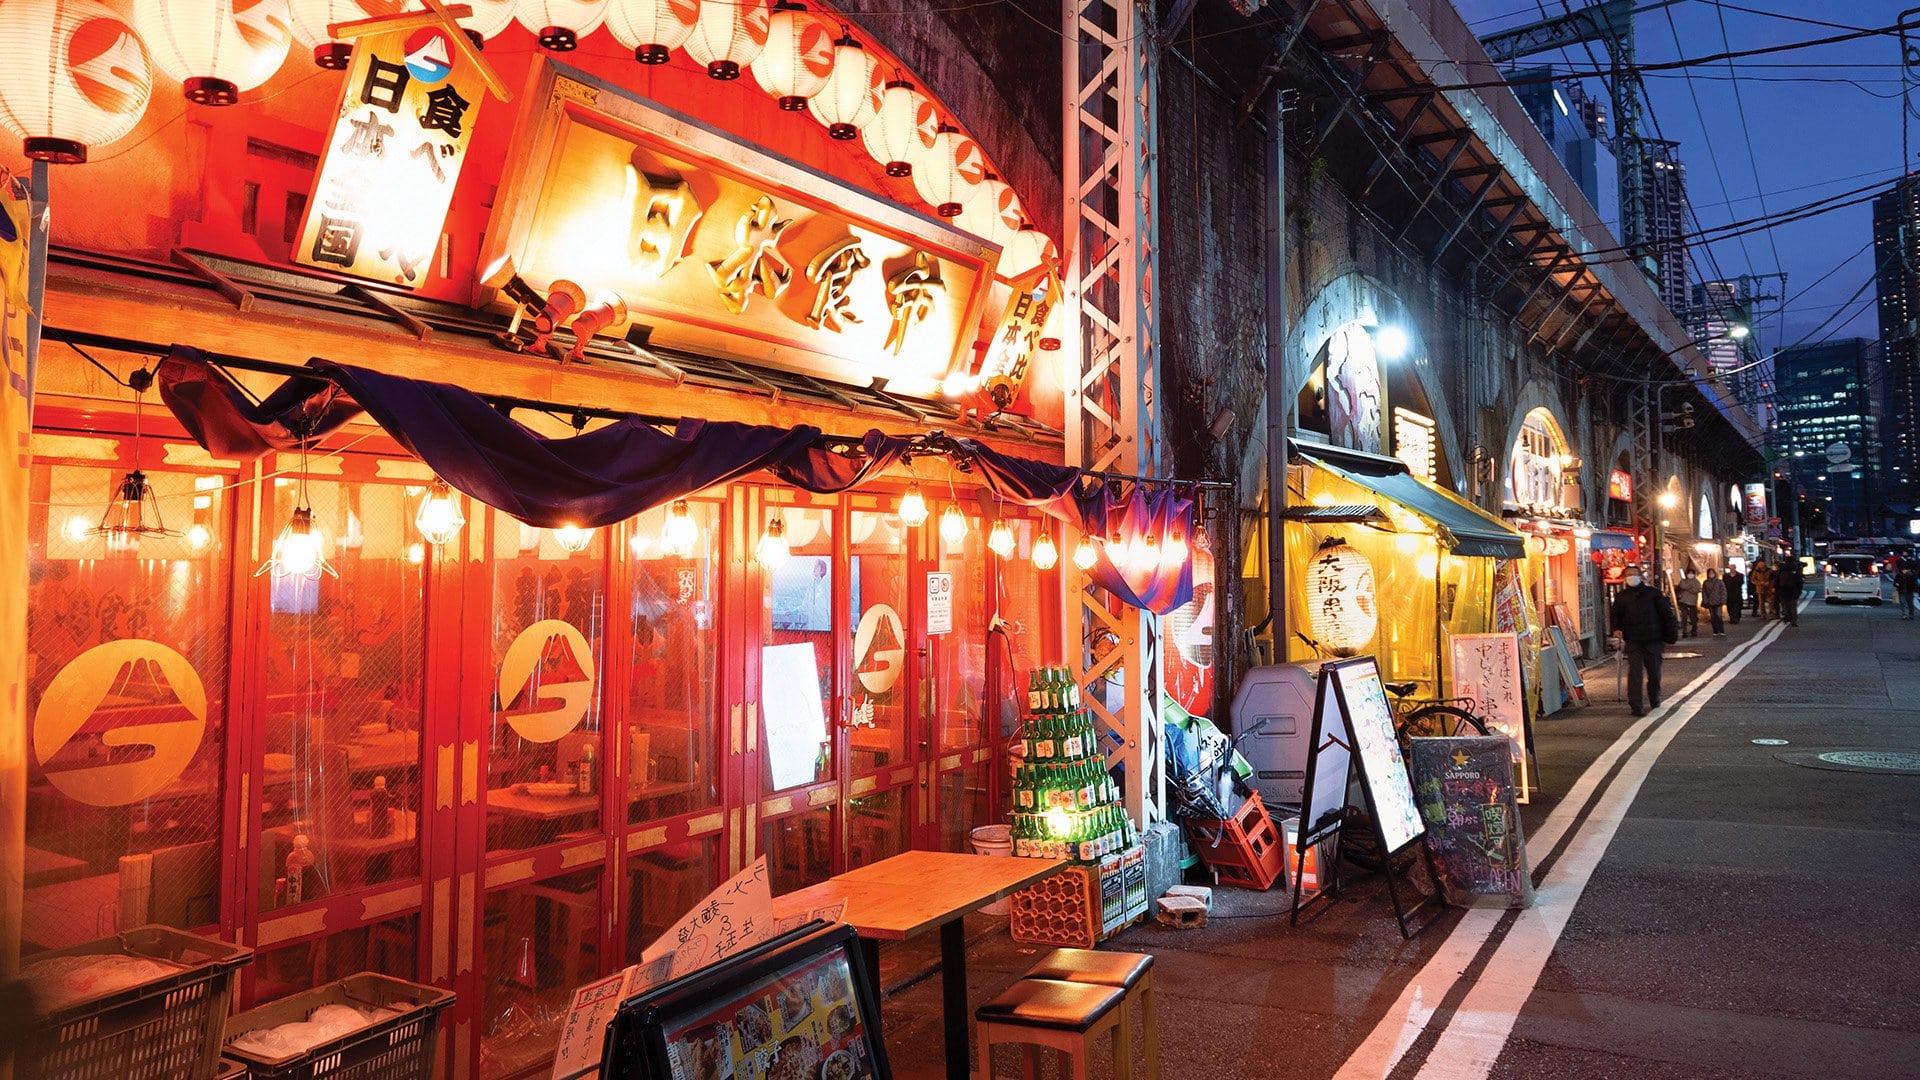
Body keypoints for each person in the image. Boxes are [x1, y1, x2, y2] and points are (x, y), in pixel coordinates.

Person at [1611, 567, 1679, 717]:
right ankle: (1636, 705)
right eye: (1628, 575)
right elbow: (1615, 616)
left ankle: (1654, 697)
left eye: (1634, 574)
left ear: (1641, 576)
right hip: (1633, 641)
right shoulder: (1621, 597)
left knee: (1654, 672)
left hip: (1653, 639)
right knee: (1635, 674)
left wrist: (1671, 635)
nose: (1631, 577)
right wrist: (1616, 629)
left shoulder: (1653, 594)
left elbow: (1666, 615)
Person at [1674, 568, 1702, 638]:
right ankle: (1684, 631)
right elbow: (1682, 586)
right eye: (1689, 573)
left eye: (1692, 573)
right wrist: (1691, 587)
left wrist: (1688, 588)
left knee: (1693, 617)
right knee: (1684, 617)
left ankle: (1694, 630)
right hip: (1683, 601)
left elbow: (1697, 589)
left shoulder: (1696, 581)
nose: (1690, 575)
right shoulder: (1683, 580)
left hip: (1693, 602)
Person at [1775, 559, 1804, 626]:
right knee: (1793, 606)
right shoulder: (1795, 569)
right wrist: (1799, 591)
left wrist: (1777, 590)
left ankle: (1786, 616)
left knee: (1784, 605)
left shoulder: (1781, 570)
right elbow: (1799, 582)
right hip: (1793, 591)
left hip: (1783, 590)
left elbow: (1776, 581)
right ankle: (1793, 621)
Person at [1702, 568, 1728, 637]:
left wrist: (1723, 600)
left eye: (1712, 573)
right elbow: (1704, 593)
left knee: (1718, 616)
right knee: (1713, 617)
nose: (1711, 574)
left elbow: (1723, 591)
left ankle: (1721, 630)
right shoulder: (1706, 582)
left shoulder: (1719, 582)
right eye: (1710, 573)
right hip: (1710, 602)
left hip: (1718, 602)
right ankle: (1715, 631)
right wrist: (1705, 601)